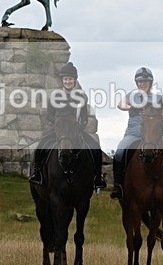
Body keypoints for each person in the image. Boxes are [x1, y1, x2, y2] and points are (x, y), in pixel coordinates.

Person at [110, 67, 163, 199]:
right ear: (136, 83)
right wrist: (132, 106)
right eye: (140, 82)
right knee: (119, 152)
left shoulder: (158, 98)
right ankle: (118, 186)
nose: (142, 84)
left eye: (145, 81)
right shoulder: (131, 96)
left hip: (153, 134)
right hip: (133, 133)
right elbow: (121, 105)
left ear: (151, 82)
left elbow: (162, 115)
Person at [29, 62, 106, 190]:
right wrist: (57, 125)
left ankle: (97, 178)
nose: (68, 81)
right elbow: (50, 116)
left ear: (74, 80)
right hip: (59, 130)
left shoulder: (81, 97)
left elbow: (84, 117)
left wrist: (80, 126)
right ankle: (37, 173)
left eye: (70, 79)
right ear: (62, 80)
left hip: (75, 130)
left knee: (95, 148)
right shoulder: (55, 96)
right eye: (66, 79)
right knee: (40, 147)